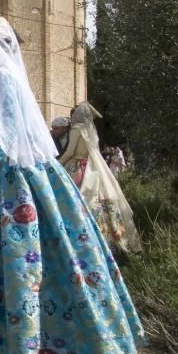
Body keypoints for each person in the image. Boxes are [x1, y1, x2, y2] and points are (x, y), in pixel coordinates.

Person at [0, 16, 144, 354]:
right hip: (2, 167)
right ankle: (14, 337)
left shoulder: (1, 80)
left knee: (18, 250)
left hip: (10, 175)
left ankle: (24, 339)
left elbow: (8, 132)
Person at [58, 102, 142, 254]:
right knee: (102, 200)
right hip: (94, 168)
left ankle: (78, 241)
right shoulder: (91, 129)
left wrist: (58, 164)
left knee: (72, 199)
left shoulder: (76, 129)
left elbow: (70, 152)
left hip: (77, 166)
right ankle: (112, 242)